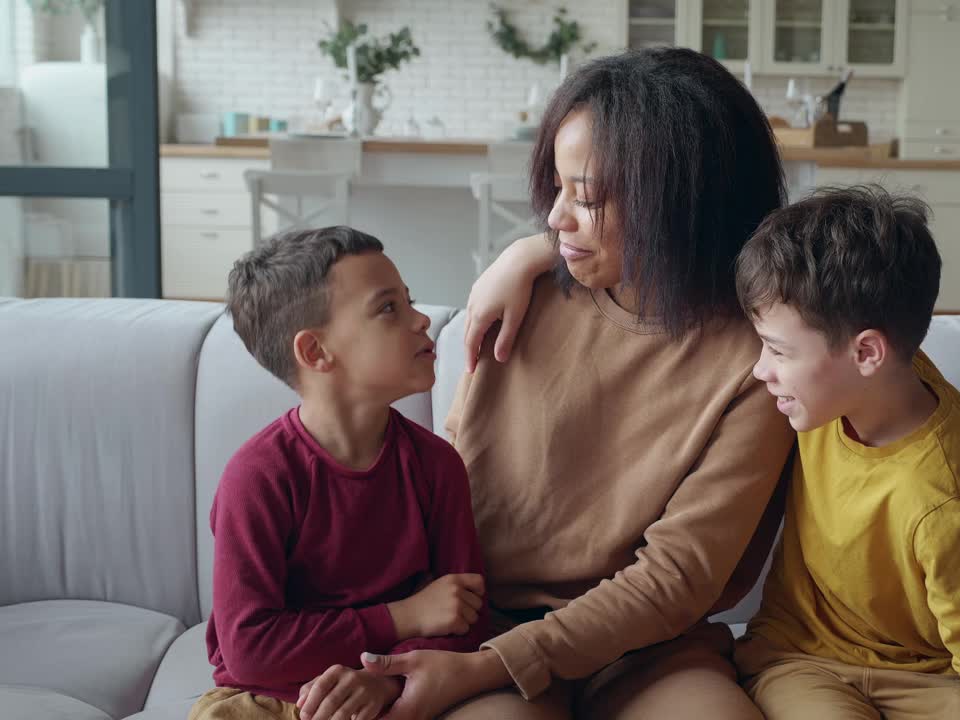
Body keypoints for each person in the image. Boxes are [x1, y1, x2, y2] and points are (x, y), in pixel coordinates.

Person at [358, 48, 795, 719]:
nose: (556, 218)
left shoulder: (756, 362)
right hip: (482, 623)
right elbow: (444, 476)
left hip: (646, 646)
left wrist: (504, 663)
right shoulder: (525, 296)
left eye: (584, 197)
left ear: (676, 204)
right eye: (557, 188)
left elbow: (676, 580)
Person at [732, 186, 960, 719]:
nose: (760, 369)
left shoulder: (942, 505)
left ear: (866, 353)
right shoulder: (847, 386)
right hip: (803, 658)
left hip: (925, 676)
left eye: (778, 351)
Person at [191, 226, 490, 720]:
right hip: (265, 698)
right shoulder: (257, 478)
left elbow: (464, 616)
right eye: (389, 308)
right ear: (314, 353)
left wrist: (386, 680)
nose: (421, 321)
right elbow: (250, 649)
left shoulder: (438, 466)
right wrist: (401, 616)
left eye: (410, 302)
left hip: (401, 687)